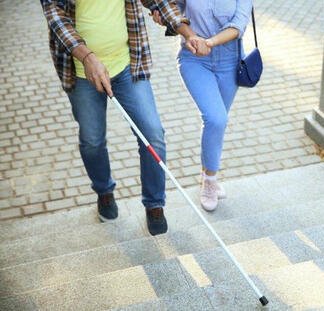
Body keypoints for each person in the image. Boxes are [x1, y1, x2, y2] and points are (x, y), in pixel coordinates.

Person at [39, 0, 205, 235]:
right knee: (92, 140)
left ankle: (154, 204)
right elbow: (56, 19)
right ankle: (104, 191)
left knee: (152, 135)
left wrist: (187, 33)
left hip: (128, 63)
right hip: (81, 72)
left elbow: (158, 1)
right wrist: (87, 58)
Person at [153, 0, 253, 211]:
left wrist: (209, 43)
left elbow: (239, 24)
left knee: (216, 123)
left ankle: (207, 173)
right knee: (216, 118)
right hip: (194, 60)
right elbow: (172, 9)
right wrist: (164, 18)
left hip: (230, 63)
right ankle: (209, 180)